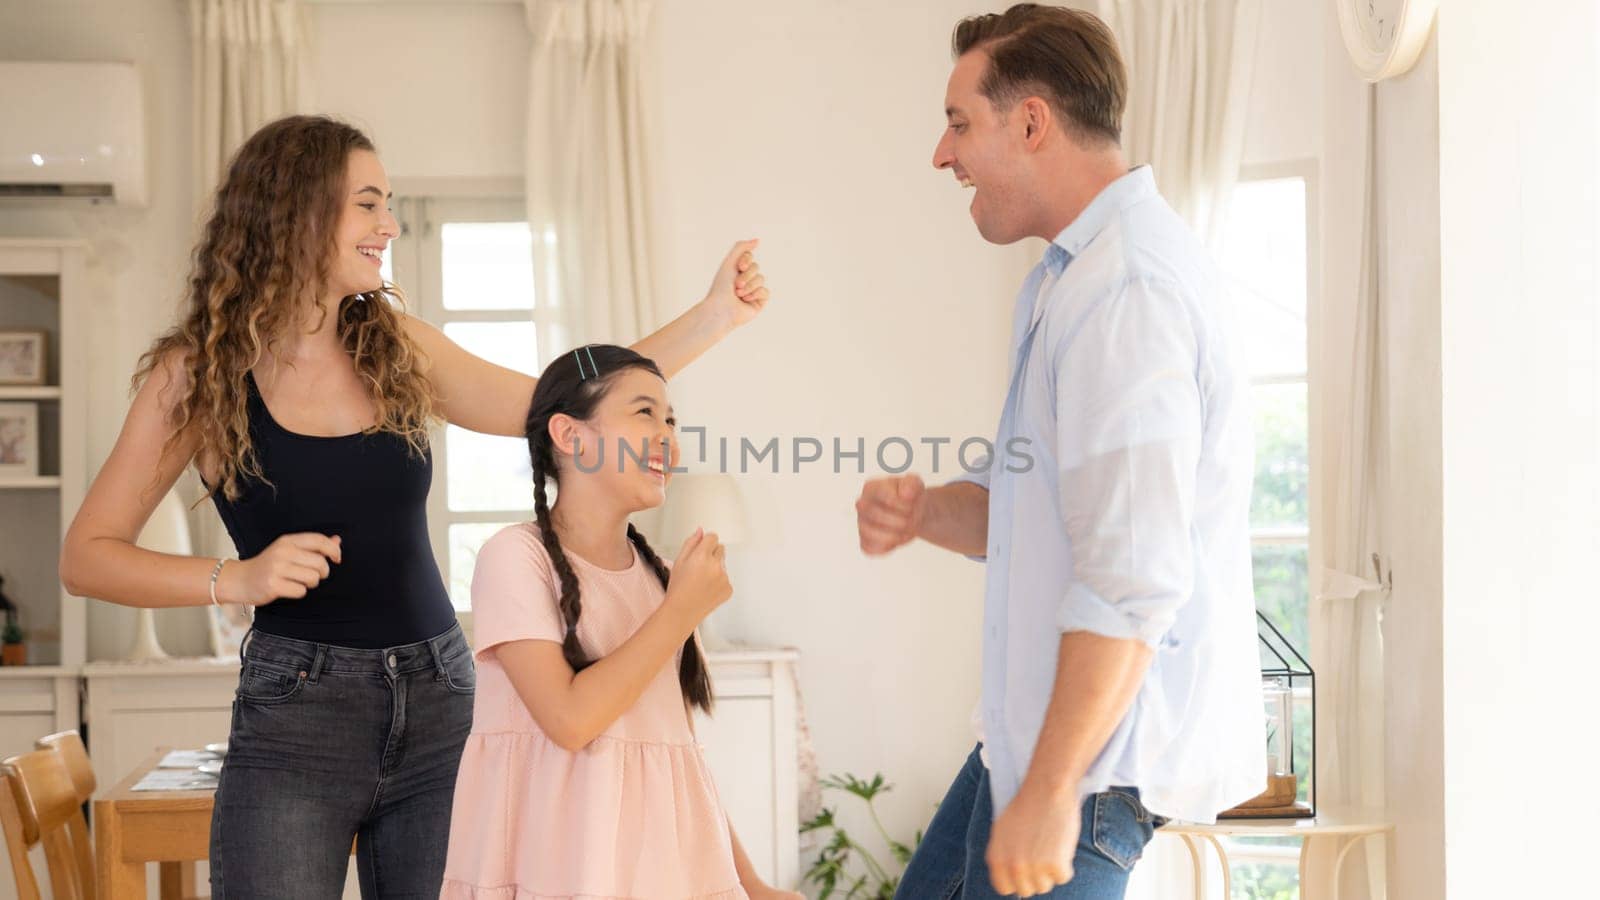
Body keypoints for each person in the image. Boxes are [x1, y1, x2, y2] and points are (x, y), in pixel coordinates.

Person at [58, 114, 771, 899]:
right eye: (368, 204)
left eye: (387, 204)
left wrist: (715, 318)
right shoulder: (196, 374)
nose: (388, 225)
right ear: (298, 210)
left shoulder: (394, 346)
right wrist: (236, 579)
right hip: (298, 720)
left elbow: (563, 404)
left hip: (439, 704)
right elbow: (89, 554)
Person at [853, 6, 1262, 897]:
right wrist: (926, 510)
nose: (942, 154)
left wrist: (1049, 790)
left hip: (1083, 771)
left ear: (1030, 121)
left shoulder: (1126, 290)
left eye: (960, 123)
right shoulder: (1068, 283)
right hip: (1023, 747)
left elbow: (1133, 575)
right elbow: (1029, 510)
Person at [441, 344, 801, 900]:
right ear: (570, 436)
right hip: (556, 874)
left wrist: (751, 884)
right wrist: (680, 611)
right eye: (644, 413)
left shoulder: (657, 577)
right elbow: (570, 720)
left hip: (660, 875)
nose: (667, 437)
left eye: (672, 420)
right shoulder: (515, 558)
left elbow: (675, 756)